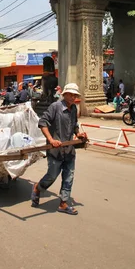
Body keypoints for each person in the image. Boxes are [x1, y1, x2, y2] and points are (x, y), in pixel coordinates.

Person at [31, 83, 82, 215]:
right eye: (70, 94)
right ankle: (37, 188)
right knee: (51, 176)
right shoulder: (55, 107)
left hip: (69, 149)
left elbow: (74, 124)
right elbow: (43, 122)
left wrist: (78, 133)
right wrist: (51, 140)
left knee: (69, 176)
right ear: (64, 94)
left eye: (74, 95)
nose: (72, 97)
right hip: (56, 150)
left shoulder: (74, 109)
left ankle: (63, 203)